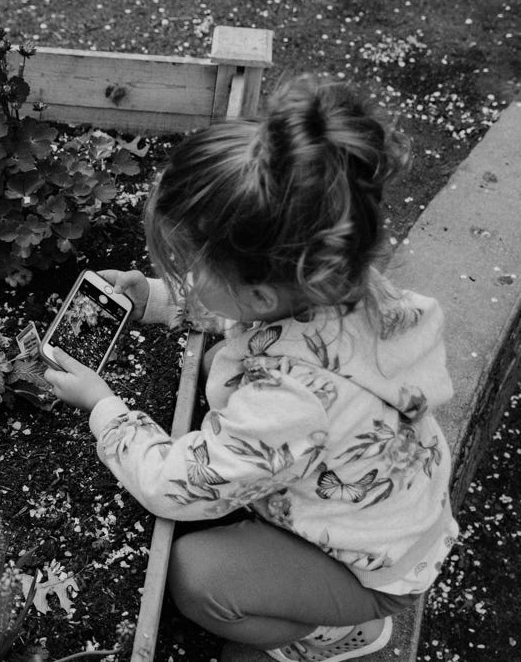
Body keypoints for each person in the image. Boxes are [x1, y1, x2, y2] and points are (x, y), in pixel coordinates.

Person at [43, 74, 458, 662]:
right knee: (221, 361)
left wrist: (103, 406)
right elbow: (244, 314)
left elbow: (173, 486)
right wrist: (155, 299)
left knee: (198, 577)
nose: (185, 273)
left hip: (370, 569)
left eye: (192, 265)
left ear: (261, 293)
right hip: (385, 514)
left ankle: (330, 633)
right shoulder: (336, 284)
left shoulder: (290, 398)